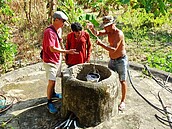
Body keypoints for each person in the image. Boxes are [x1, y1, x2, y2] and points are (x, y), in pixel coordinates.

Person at [87, 16, 128, 111]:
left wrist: (101, 44)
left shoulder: (119, 34)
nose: (105, 28)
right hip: (112, 60)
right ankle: (110, 96)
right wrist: (92, 29)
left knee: (122, 80)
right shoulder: (108, 31)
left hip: (121, 60)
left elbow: (114, 49)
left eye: (107, 26)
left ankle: (122, 101)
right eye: (104, 26)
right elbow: (97, 33)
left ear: (113, 25)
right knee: (109, 78)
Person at [42, 11, 78, 114]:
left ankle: (53, 93)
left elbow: (60, 40)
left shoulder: (59, 30)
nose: (63, 24)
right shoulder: (49, 32)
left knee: (55, 78)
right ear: (56, 20)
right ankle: (49, 102)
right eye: (62, 21)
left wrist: (63, 52)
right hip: (50, 60)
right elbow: (52, 48)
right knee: (51, 81)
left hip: (57, 58)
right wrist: (66, 51)